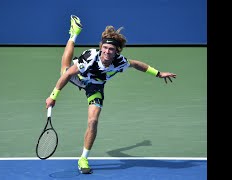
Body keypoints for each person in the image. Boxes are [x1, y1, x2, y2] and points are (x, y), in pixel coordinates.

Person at [45, 15, 177, 174]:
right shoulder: (89, 58)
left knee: (93, 121)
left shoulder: (120, 62)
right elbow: (66, 77)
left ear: (117, 51)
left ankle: (83, 158)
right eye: (105, 48)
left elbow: (136, 64)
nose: (107, 51)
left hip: (96, 87)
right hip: (79, 77)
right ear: (101, 47)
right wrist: (53, 96)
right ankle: (74, 34)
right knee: (65, 70)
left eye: (111, 49)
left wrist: (158, 73)